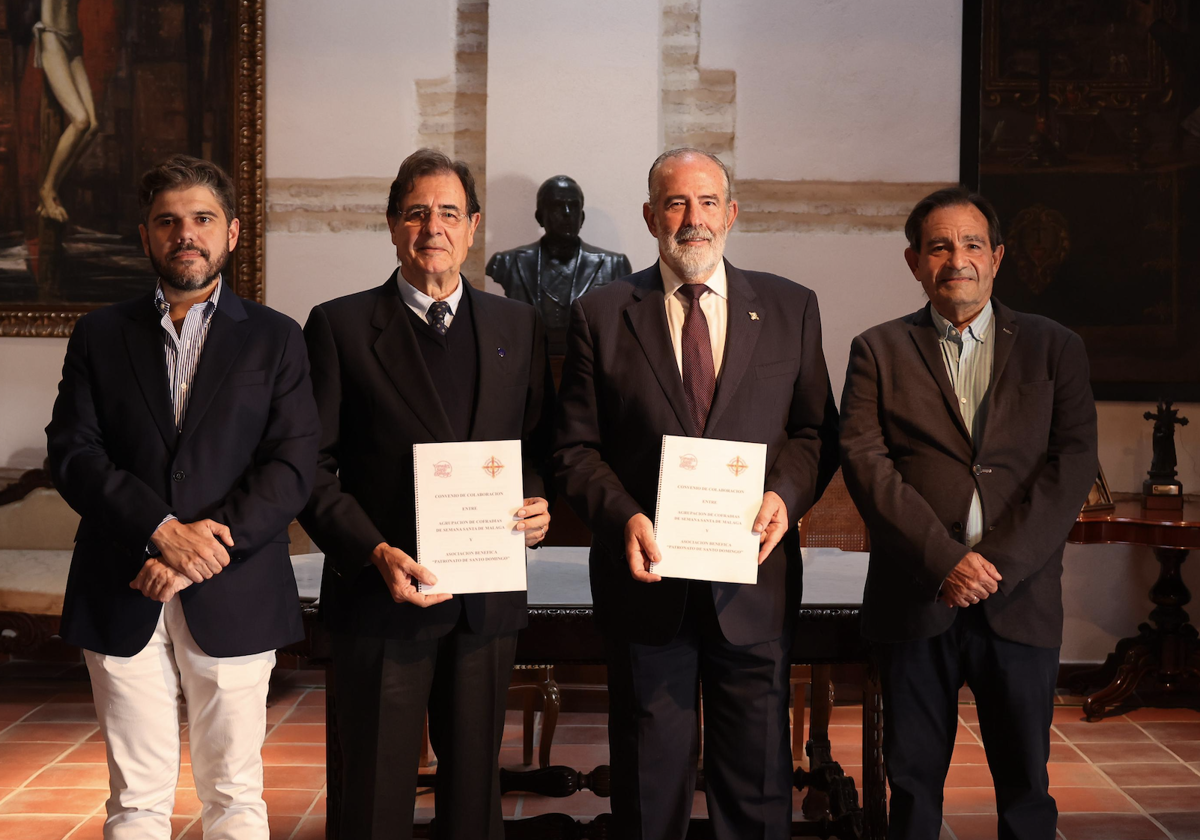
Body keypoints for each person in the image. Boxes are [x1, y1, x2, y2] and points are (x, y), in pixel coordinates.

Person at [553, 147, 839, 840]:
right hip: (647, 586)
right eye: (676, 203)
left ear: (732, 214)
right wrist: (623, 515)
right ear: (652, 216)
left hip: (754, 582)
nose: (693, 219)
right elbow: (574, 450)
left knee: (758, 785)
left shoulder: (791, 307)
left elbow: (814, 432)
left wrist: (786, 497)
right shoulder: (601, 313)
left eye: (708, 202)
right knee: (651, 790)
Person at [46, 154, 320, 839]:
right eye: (168, 222)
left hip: (237, 589)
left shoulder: (277, 338)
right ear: (145, 237)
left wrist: (194, 550)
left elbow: (291, 466)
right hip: (122, 585)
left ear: (231, 233)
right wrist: (159, 529)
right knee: (135, 801)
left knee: (234, 794)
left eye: (201, 219)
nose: (185, 234)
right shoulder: (100, 335)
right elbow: (73, 455)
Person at [300, 148, 554, 840]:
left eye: (448, 213)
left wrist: (537, 502)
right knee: (375, 799)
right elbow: (311, 469)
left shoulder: (517, 327)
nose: (432, 227)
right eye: (416, 213)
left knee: (474, 803)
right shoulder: (341, 327)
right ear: (391, 226)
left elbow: (537, 445)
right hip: (383, 600)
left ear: (473, 228)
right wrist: (373, 551)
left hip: (485, 602)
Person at [839, 186, 1099, 840]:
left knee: (1026, 789)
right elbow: (866, 462)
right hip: (916, 597)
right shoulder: (877, 350)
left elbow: (1071, 466)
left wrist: (995, 566)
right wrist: (945, 561)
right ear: (914, 262)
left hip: (1021, 599)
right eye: (940, 247)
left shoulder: (1054, 348)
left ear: (998, 257)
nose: (958, 259)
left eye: (973, 245)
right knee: (913, 786)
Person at [486, 175, 631, 354]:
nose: (568, 213)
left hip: (587, 361)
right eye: (557, 206)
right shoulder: (508, 263)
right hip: (531, 359)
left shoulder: (614, 265)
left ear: (582, 217)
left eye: (574, 206)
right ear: (540, 217)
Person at [34, 0, 100, 221]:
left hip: (73, 39)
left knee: (92, 126)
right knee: (80, 120)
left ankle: (50, 188)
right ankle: (47, 189)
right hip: (52, 36)